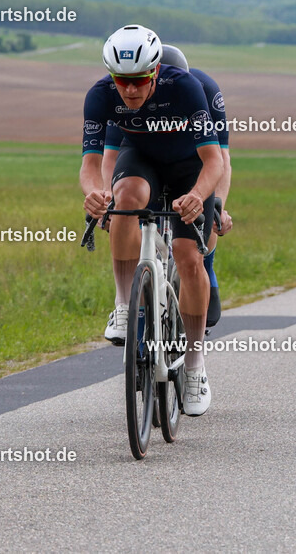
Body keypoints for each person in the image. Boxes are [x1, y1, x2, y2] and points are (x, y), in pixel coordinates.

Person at [80, 25, 223, 416]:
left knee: (188, 255)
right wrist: (95, 193)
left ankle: (194, 365)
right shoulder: (100, 96)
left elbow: (214, 160)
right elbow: (92, 164)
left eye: (139, 81)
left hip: (188, 168)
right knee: (124, 199)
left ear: (156, 71)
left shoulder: (186, 88)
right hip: (142, 160)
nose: (130, 91)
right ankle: (124, 305)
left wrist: (198, 196)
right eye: (121, 81)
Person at [100, 45, 233, 333]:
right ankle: (136, 302)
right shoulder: (125, 98)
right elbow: (110, 156)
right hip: (146, 163)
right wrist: (110, 200)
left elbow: (220, 158)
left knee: (204, 226)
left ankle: (205, 268)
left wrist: (218, 203)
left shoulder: (204, 91)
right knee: (129, 210)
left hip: (190, 163)